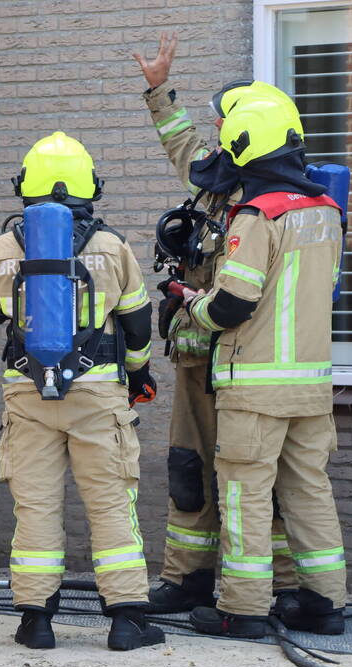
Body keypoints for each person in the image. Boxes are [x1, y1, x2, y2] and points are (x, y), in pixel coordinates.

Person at [133, 33, 298, 614]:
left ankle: (276, 586)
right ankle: (186, 579)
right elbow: (186, 149)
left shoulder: (271, 205)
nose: (219, 139)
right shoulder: (220, 186)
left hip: (242, 363)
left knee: (255, 480)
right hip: (196, 356)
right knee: (188, 467)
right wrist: (158, 91)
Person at [0, 131, 163, 651]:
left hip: (26, 392)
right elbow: (137, 319)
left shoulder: (0, 249)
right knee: (109, 505)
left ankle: (35, 621)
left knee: (34, 508)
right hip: (98, 393)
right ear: (90, 186)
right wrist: (139, 372)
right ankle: (127, 620)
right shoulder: (112, 247)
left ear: (25, 187)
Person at [179, 90, 348, 638]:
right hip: (311, 388)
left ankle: (242, 608)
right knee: (308, 492)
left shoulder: (257, 217)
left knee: (244, 497)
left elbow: (231, 306)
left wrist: (188, 304)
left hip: (254, 389)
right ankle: (325, 604)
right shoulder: (327, 211)